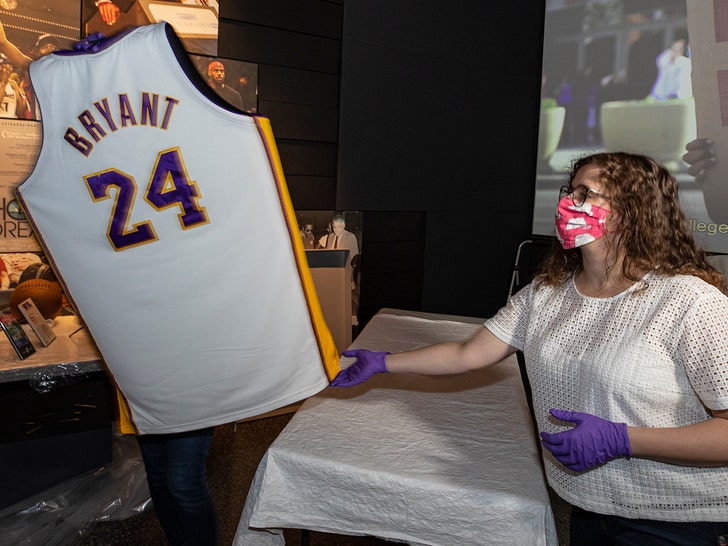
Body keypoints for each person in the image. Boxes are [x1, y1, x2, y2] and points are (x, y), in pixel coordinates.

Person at [332, 152, 728, 545]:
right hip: (588, 507)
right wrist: (383, 362)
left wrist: (623, 440)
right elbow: (468, 354)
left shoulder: (691, 301)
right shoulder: (546, 293)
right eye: (568, 192)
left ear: (631, 210)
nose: (565, 204)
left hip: (681, 522)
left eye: (583, 194)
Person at [649, 37, 692, 101]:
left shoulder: (683, 62)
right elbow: (661, 60)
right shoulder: (665, 62)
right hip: (661, 96)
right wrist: (672, 52)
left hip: (678, 96)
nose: (677, 50)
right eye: (675, 48)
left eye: (679, 48)